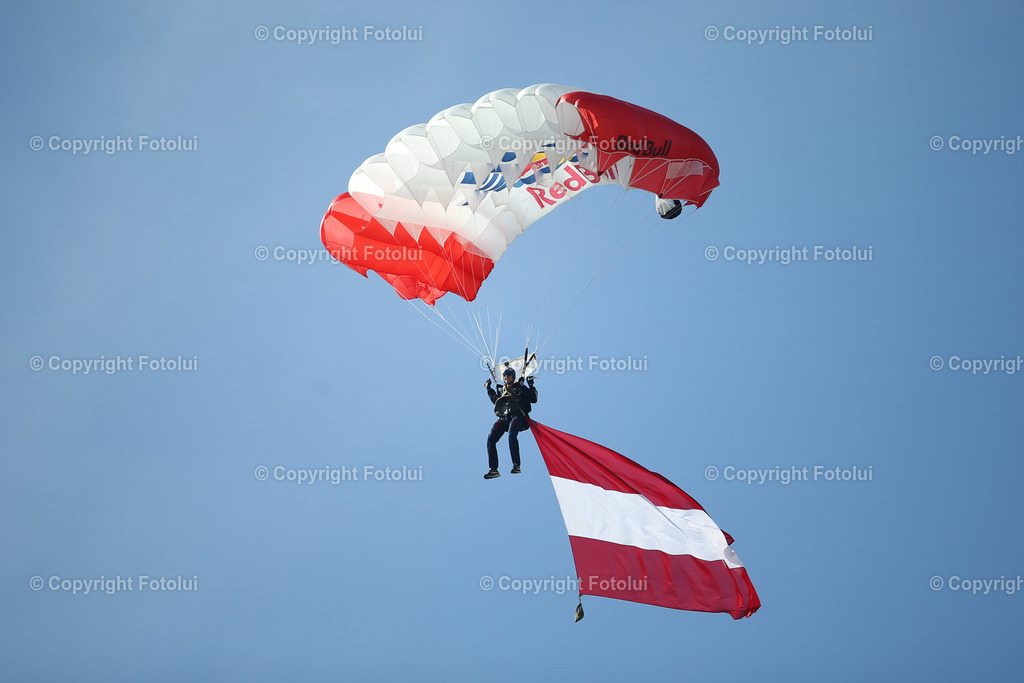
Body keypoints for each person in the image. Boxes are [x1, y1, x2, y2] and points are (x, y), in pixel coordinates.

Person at [483, 367, 537, 479]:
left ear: (513, 376)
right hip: (504, 417)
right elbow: (495, 400)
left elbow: (533, 399)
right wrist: (489, 389)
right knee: (491, 439)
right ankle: (493, 469)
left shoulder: (520, 387)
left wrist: (530, 385)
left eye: (508, 374)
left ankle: (516, 465)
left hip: (517, 414)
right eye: (504, 375)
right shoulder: (502, 390)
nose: (505, 377)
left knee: (512, 435)